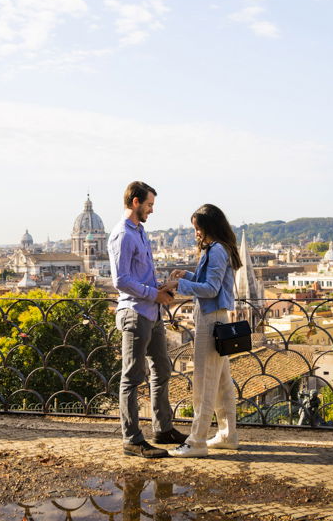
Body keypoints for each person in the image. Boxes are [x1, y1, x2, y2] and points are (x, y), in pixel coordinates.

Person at [109, 180, 185, 458]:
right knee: (132, 376)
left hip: (152, 312)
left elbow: (139, 276)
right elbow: (121, 280)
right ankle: (132, 439)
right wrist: (154, 294)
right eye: (150, 205)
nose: (152, 211)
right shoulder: (122, 235)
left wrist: (164, 285)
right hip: (135, 313)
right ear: (136, 202)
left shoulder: (140, 232)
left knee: (162, 369)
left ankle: (162, 429)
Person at [167, 203, 242, 457]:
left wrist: (180, 284)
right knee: (222, 383)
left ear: (208, 227)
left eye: (197, 228)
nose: (196, 234)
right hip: (215, 317)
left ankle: (196, 441)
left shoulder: (217, 251)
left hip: (210, 320)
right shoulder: (218, 249)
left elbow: (211, 289)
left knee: (204, 382)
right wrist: (187, 275)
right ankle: (227, 434)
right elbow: (210, 282)